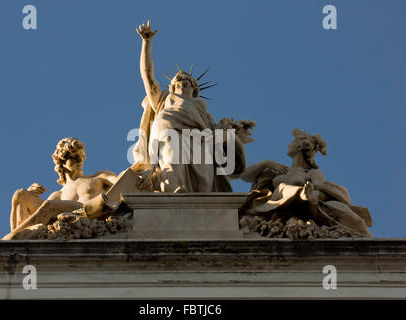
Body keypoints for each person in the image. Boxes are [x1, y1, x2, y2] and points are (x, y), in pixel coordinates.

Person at [132, 21, 245, 192]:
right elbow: (147, 75)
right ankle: (174, 189)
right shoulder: (163, 98)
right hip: (169, 132)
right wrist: (146, 43)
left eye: (186, 82)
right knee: (171, 159)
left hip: (200, 139)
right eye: (178, 83)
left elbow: (217, 132)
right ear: (172, 87)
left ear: (194, 88)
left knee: (205, 181)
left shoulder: (201, 108)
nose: (181, 84)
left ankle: (207, 211)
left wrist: (232, 139)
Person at [240, 129, 372, 237]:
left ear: (299, 146)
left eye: (292, 142)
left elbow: (319, 194)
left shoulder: (312, 174)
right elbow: (245, 176)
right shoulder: (280, 170)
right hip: (274, 209)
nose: (288, 145)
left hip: (304, 208)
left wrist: (311, 197)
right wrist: (266, 163)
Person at [3, 137, 118, 240]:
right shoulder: (58, 195)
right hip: (69, 220)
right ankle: (17, 239)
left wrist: (135, 168)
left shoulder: (98, 176)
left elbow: (123, 180)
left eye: (81, 156)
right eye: (73, 157)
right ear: (62, 162)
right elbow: (40, 217)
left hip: (92, 210)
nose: (79, 160)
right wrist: (30, 193)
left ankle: (12, 239)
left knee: (49, 206)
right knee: (20, 194)